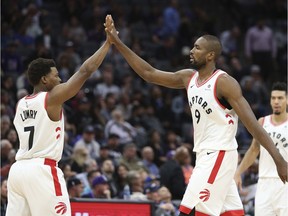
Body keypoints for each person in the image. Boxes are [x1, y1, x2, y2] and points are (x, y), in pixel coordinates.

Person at [104, 15, 288, 216]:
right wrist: (117, 43)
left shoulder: (224, 83)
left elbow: (253, 125)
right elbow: (149, 73)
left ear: (210, 55)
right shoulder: (188, 77)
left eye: (198, 48)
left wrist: (278, 159)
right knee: (231, 213)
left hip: (219, 153)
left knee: (189, 211)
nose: (192, 51)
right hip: (205, 155)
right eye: (193, 46)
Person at [6, 17, 112, 216]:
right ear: (45, 79)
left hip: (18, 171)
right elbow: (85, 71)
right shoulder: (51, 98)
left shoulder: (20, 103)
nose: (61, 78)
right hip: (42, 170)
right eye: (56, 75)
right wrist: (107, 44)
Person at [234, 82, 288, 216]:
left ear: (287, 100)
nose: (276, 101)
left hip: (285, 184)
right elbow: (253, 150)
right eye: (273, 98)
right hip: (264, 182)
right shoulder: (262, 122)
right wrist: (238, 172)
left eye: (280, 98)